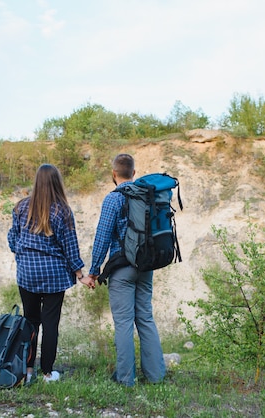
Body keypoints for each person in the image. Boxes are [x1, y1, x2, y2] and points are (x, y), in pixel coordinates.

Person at [8, 164, 94, 384]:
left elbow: (12, 239)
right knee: (50, 324)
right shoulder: (62, 210)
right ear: (57, 182)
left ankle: (27, 371)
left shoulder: (20, 207)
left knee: (30, 322)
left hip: (27, 274)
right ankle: (47, 373)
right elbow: (70, 246)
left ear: (37, 181)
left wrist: (23, 256)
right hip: (54, 275)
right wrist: (80, 274)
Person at [88, 153, 166, 387]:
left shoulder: (113, 199)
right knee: (145, 318)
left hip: (122, 269)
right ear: (134, 173)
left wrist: (94, 269)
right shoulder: (145, 194)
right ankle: (155, 376)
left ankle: (125, 378)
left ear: (114, 174)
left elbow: (102, 237)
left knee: (123, 322)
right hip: (146, 266)